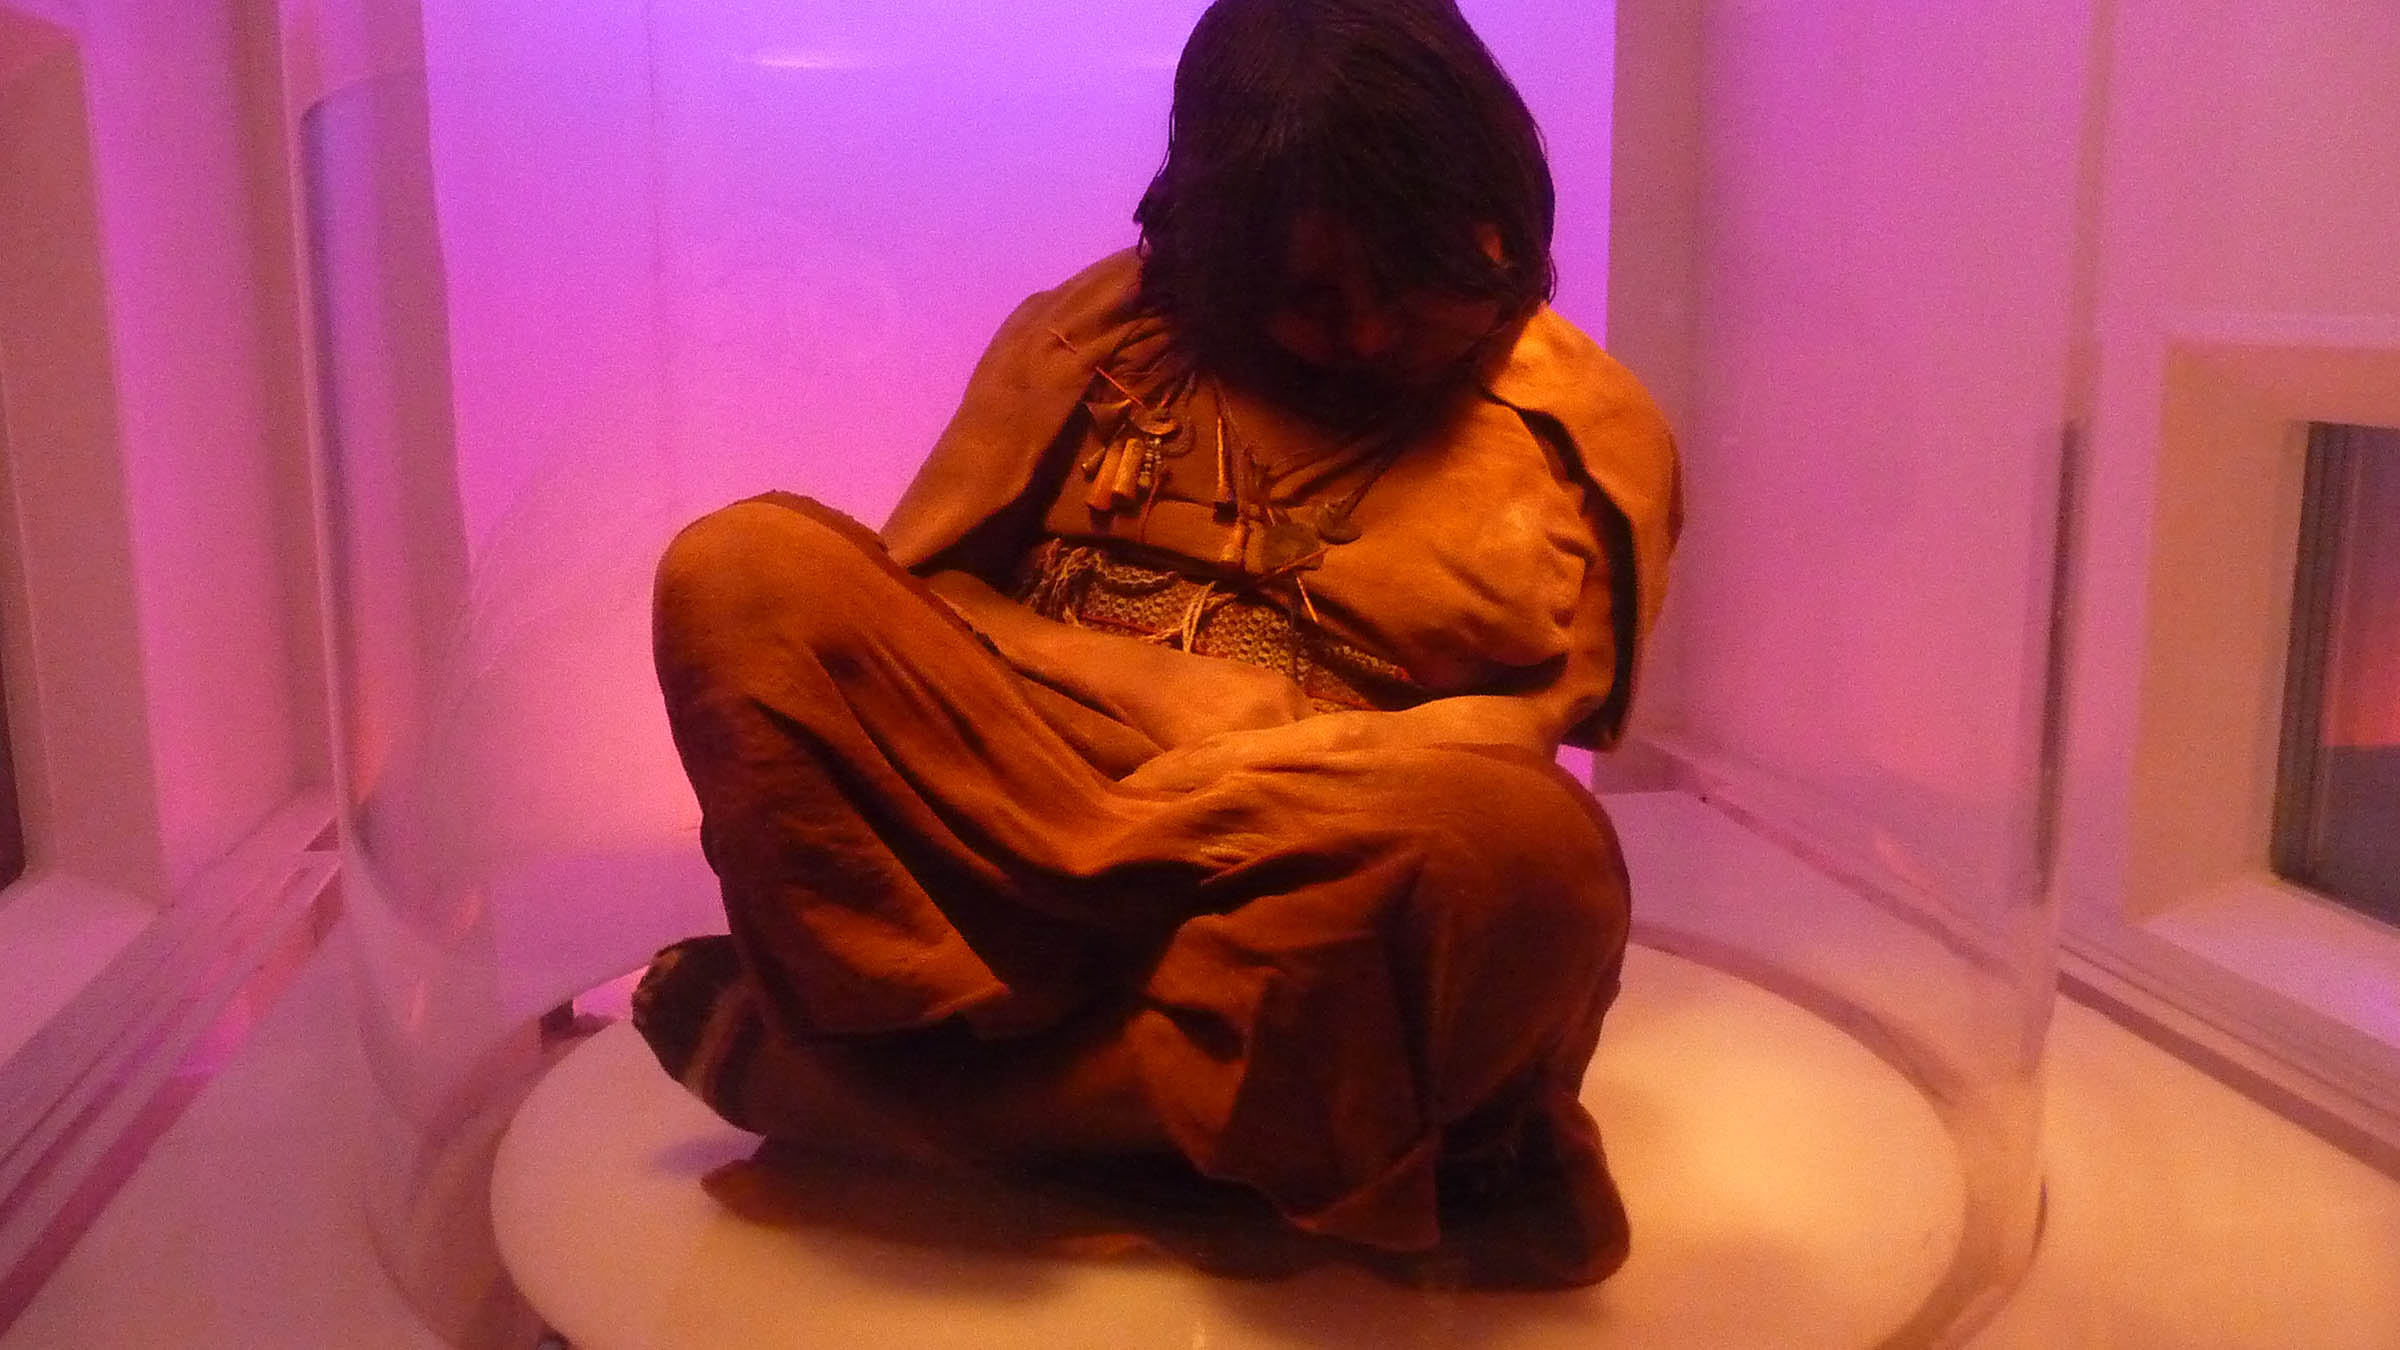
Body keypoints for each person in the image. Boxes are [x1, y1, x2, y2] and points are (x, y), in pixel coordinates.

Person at [630, 0, 1680, 1289]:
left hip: (1308, 845)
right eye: (1306, 295)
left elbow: (1527, 736)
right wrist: (1152, 688)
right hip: (1027, 805)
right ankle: (1194, 1118)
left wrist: (1282, 761)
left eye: (1408, 284)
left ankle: (920, 1111)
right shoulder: (1100, 336)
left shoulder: (1579, 431)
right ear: (1215, 242)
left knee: (1537, 859)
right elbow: (921, 593)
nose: (1362, 332)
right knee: (743, 571)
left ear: (1493, 215)